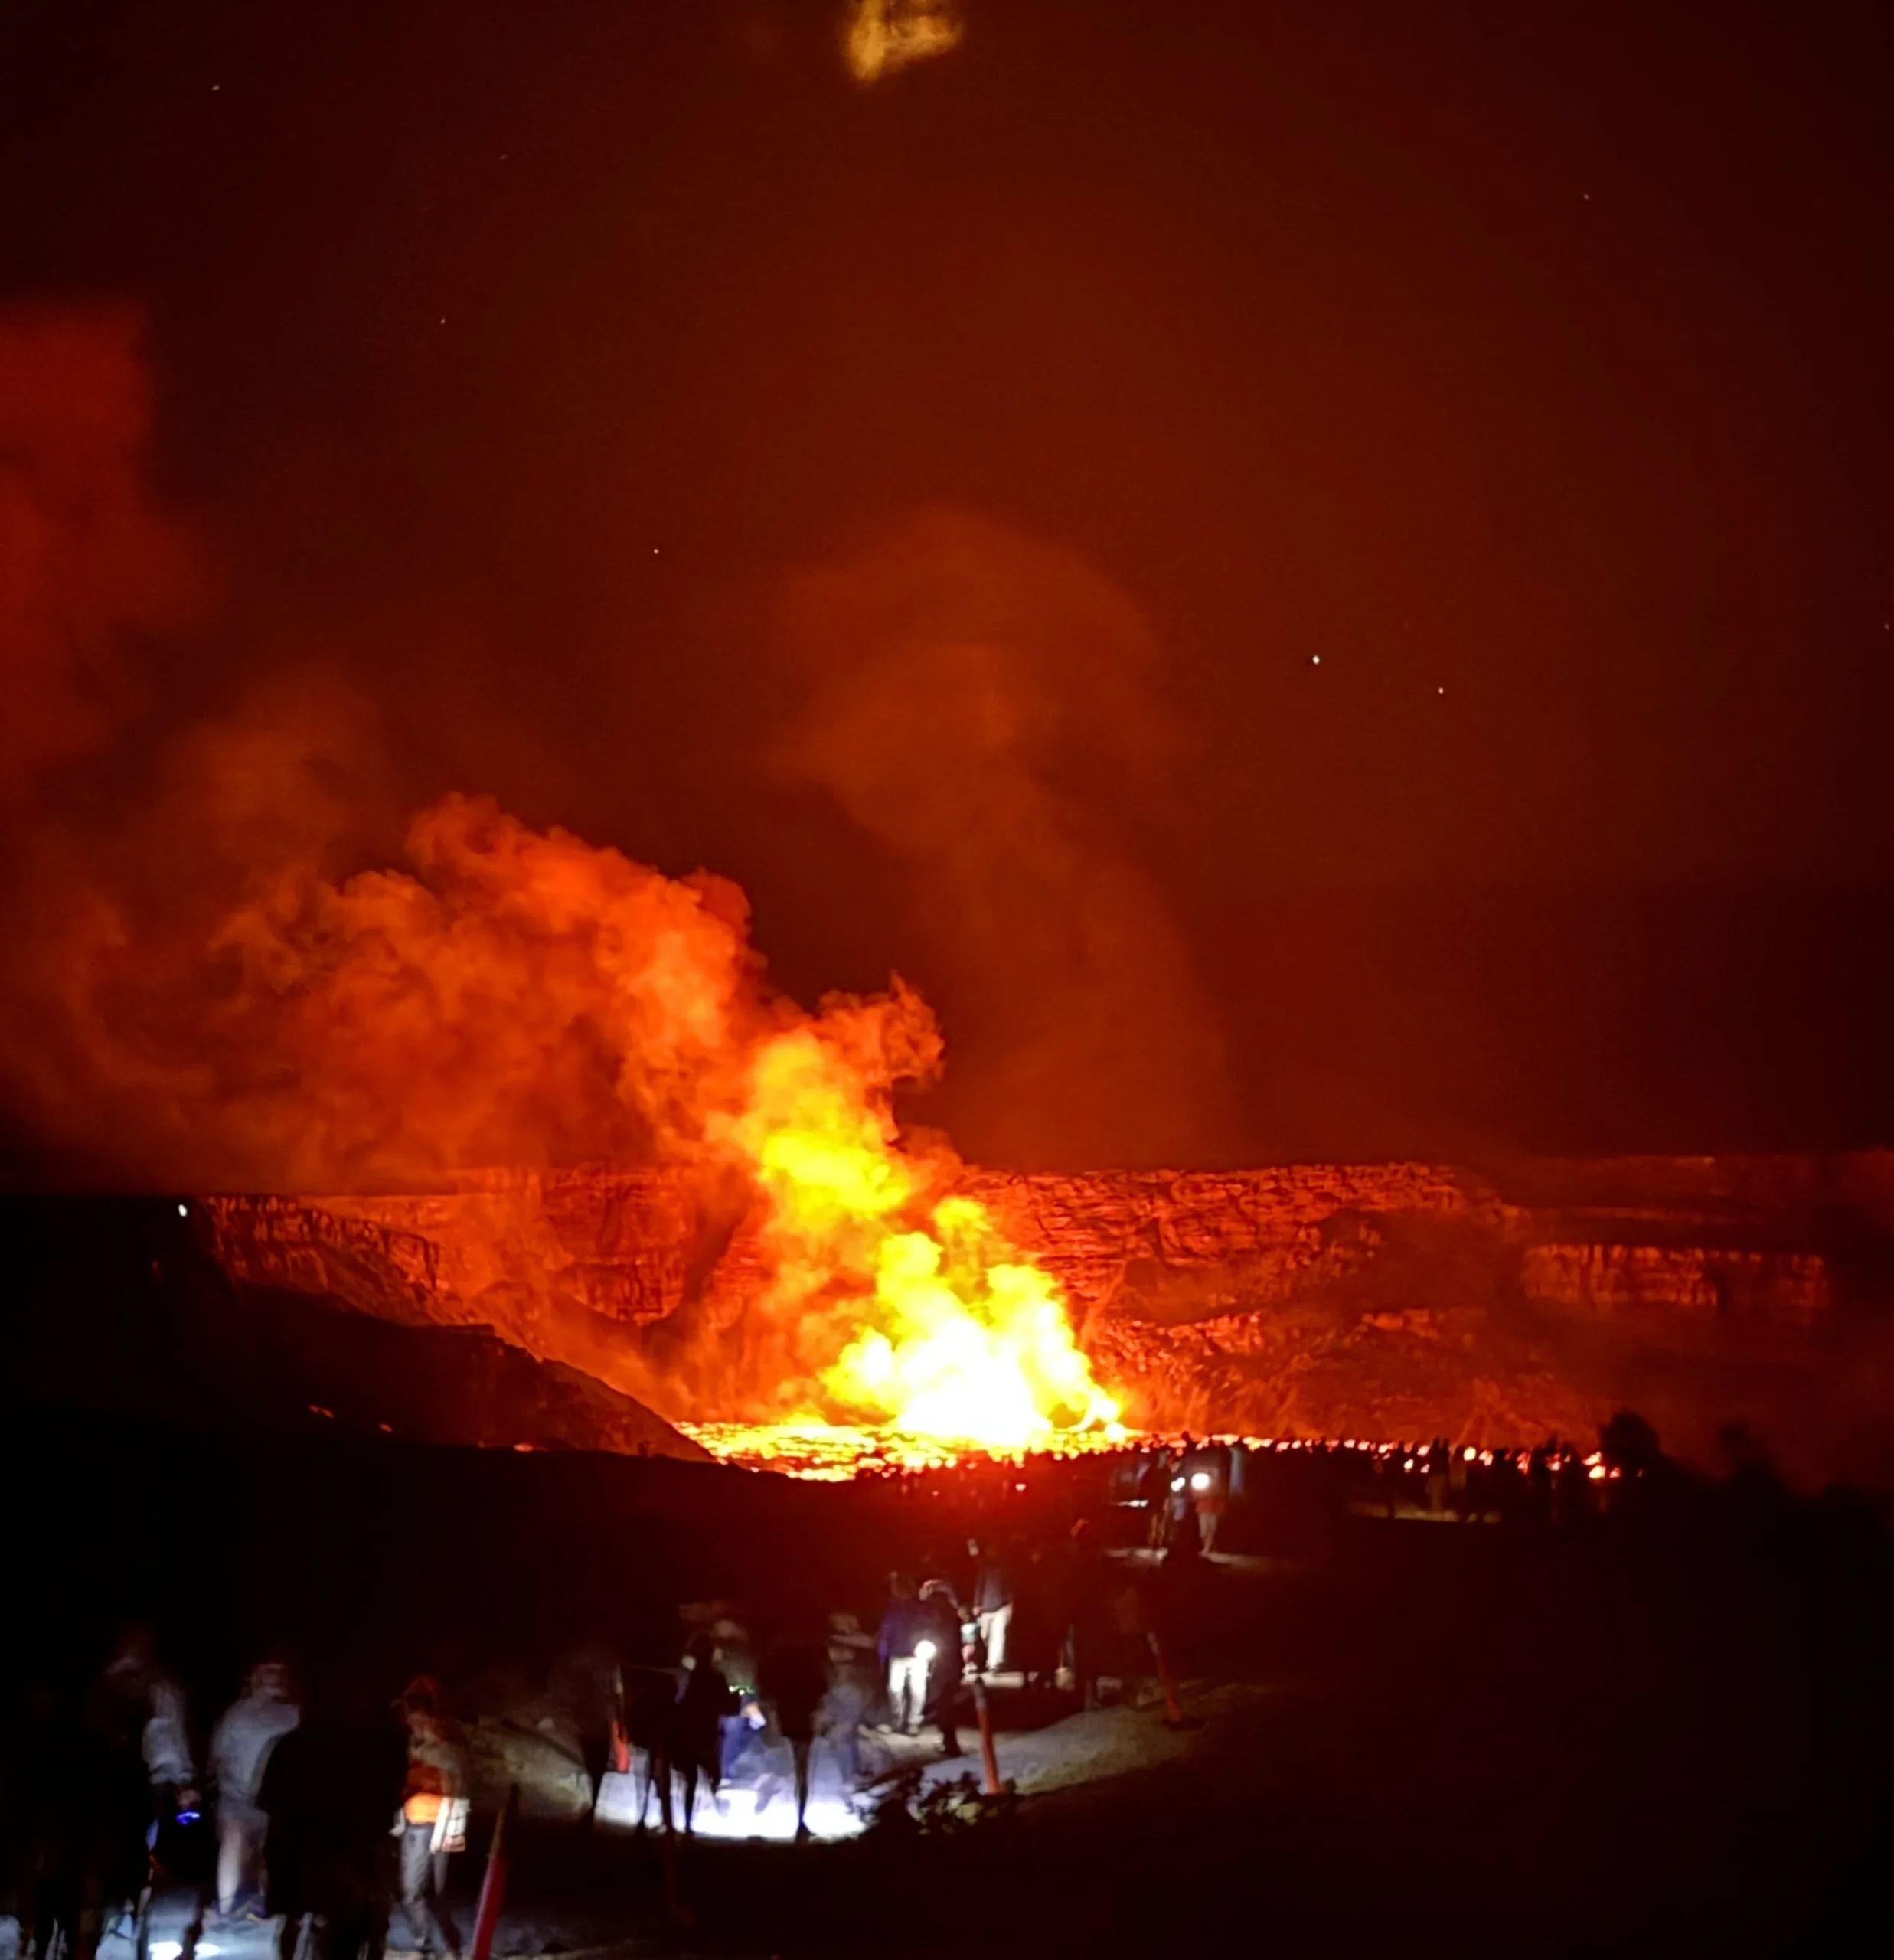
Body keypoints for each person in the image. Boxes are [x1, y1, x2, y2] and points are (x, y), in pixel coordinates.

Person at [210, 1661, 300, 1919]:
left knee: (270, 1852)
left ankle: (266, 1903)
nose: (275, 1677)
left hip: (276, 1801)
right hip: (238, 1796)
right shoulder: (237, 1714)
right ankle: (226, 1906)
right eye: (268, 1671)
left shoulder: (294, 1714)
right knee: (233, 1840)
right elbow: (219, 1753)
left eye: (280, 1671)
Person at [394, 1678, 465, 1958]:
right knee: (421, 1893)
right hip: (423, 1823)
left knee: (425, 1893)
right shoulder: (414, 1746)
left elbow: (457, 1779)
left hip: (437, 1824)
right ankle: (434, 1945)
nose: (417, 1722)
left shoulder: (442, 1745)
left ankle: (437, 1947)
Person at [757, 1628, 828, 1839]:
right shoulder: (810, 1661)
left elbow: (768, 1684)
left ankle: (791, 1817)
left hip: (787, 1714)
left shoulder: (781, 1659)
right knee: (801, 1771)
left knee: (791, 1767)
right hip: (803, 1716)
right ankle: (799, 1820)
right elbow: (821, 1688)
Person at [916, 1580, 964, 1756]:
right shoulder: (953, 1615)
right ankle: (948, 1741)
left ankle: (950, 1744)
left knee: (943, 1706)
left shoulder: (933, 1614)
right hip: (952, 1665)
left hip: (941, 1666)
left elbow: (930, 1635)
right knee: (945, 1705)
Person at [877, 1574, 929, 1734]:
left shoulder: (921, 1608)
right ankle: (897, 1721)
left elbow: (929, 1628)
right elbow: (886, 1633)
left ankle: (913, 1722)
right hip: (897, 1654)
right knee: (894, 1689)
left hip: (916, 1655)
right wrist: (883, 1654)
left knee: (917, 1689)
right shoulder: (893, 1609)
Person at [967, 1539, 1014, 1674]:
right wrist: (977, 1604)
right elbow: (979, 1586)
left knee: (998, 1635)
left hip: (1001, 1606)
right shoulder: (984, 1567)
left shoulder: (1005, 1568)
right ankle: (988, 1659)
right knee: (984, 1635)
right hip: (986, 1607)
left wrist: (1010, 1605)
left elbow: (1010, 1588)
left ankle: (994, 1663)